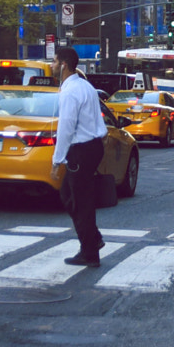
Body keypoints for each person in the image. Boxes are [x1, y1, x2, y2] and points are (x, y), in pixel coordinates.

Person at [49, 44, 109, 267]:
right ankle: (92, 239)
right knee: (70, 195)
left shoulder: (71, 91)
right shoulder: (85, 86)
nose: (52, 65)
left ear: (63, 65)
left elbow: (66, 127)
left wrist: (57, 160)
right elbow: (97, 116)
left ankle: (90, 251)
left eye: (54, 61)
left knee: (80, 201)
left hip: (81, 150)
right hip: (92, 147)